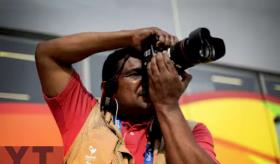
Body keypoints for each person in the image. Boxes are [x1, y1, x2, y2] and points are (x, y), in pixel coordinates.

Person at [35, 27, 218, 164]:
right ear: (108, 88)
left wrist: (167, 105)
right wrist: (129, 38)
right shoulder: (84, 115)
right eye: (136, 74)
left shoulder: (193, 131)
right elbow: (47, 54)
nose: (149, 80)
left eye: (153, 73)